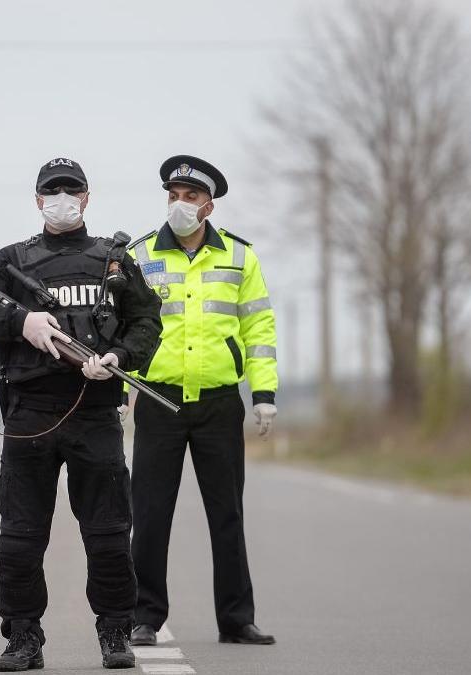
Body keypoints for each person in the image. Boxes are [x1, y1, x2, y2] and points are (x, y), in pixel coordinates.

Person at [0, 157, 162, 671]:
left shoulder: (113, 260)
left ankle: (115, 632)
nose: (62, 199)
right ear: (38, 200)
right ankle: (22, 637)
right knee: (21, 536)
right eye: (52, 191)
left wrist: (120, 357)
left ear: (87, 198)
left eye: (72, 190)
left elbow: (147, 321)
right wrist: (20, 322)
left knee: (109, 533)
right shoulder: (10, 261)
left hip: (96, 412)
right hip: (30, 413)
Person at [126, 155, 278, 647]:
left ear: (209, 205)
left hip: (218, 403)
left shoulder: (240, 256)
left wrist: (264, 393)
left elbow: (258, 328)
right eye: (173, 196)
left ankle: (236, 619)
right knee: (150, 514)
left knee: (227, 514)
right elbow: (124, 328)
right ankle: (144, 616)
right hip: (158, 399)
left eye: (190, 197)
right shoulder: (138, 256)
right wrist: (120, 390)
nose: (180, 204)